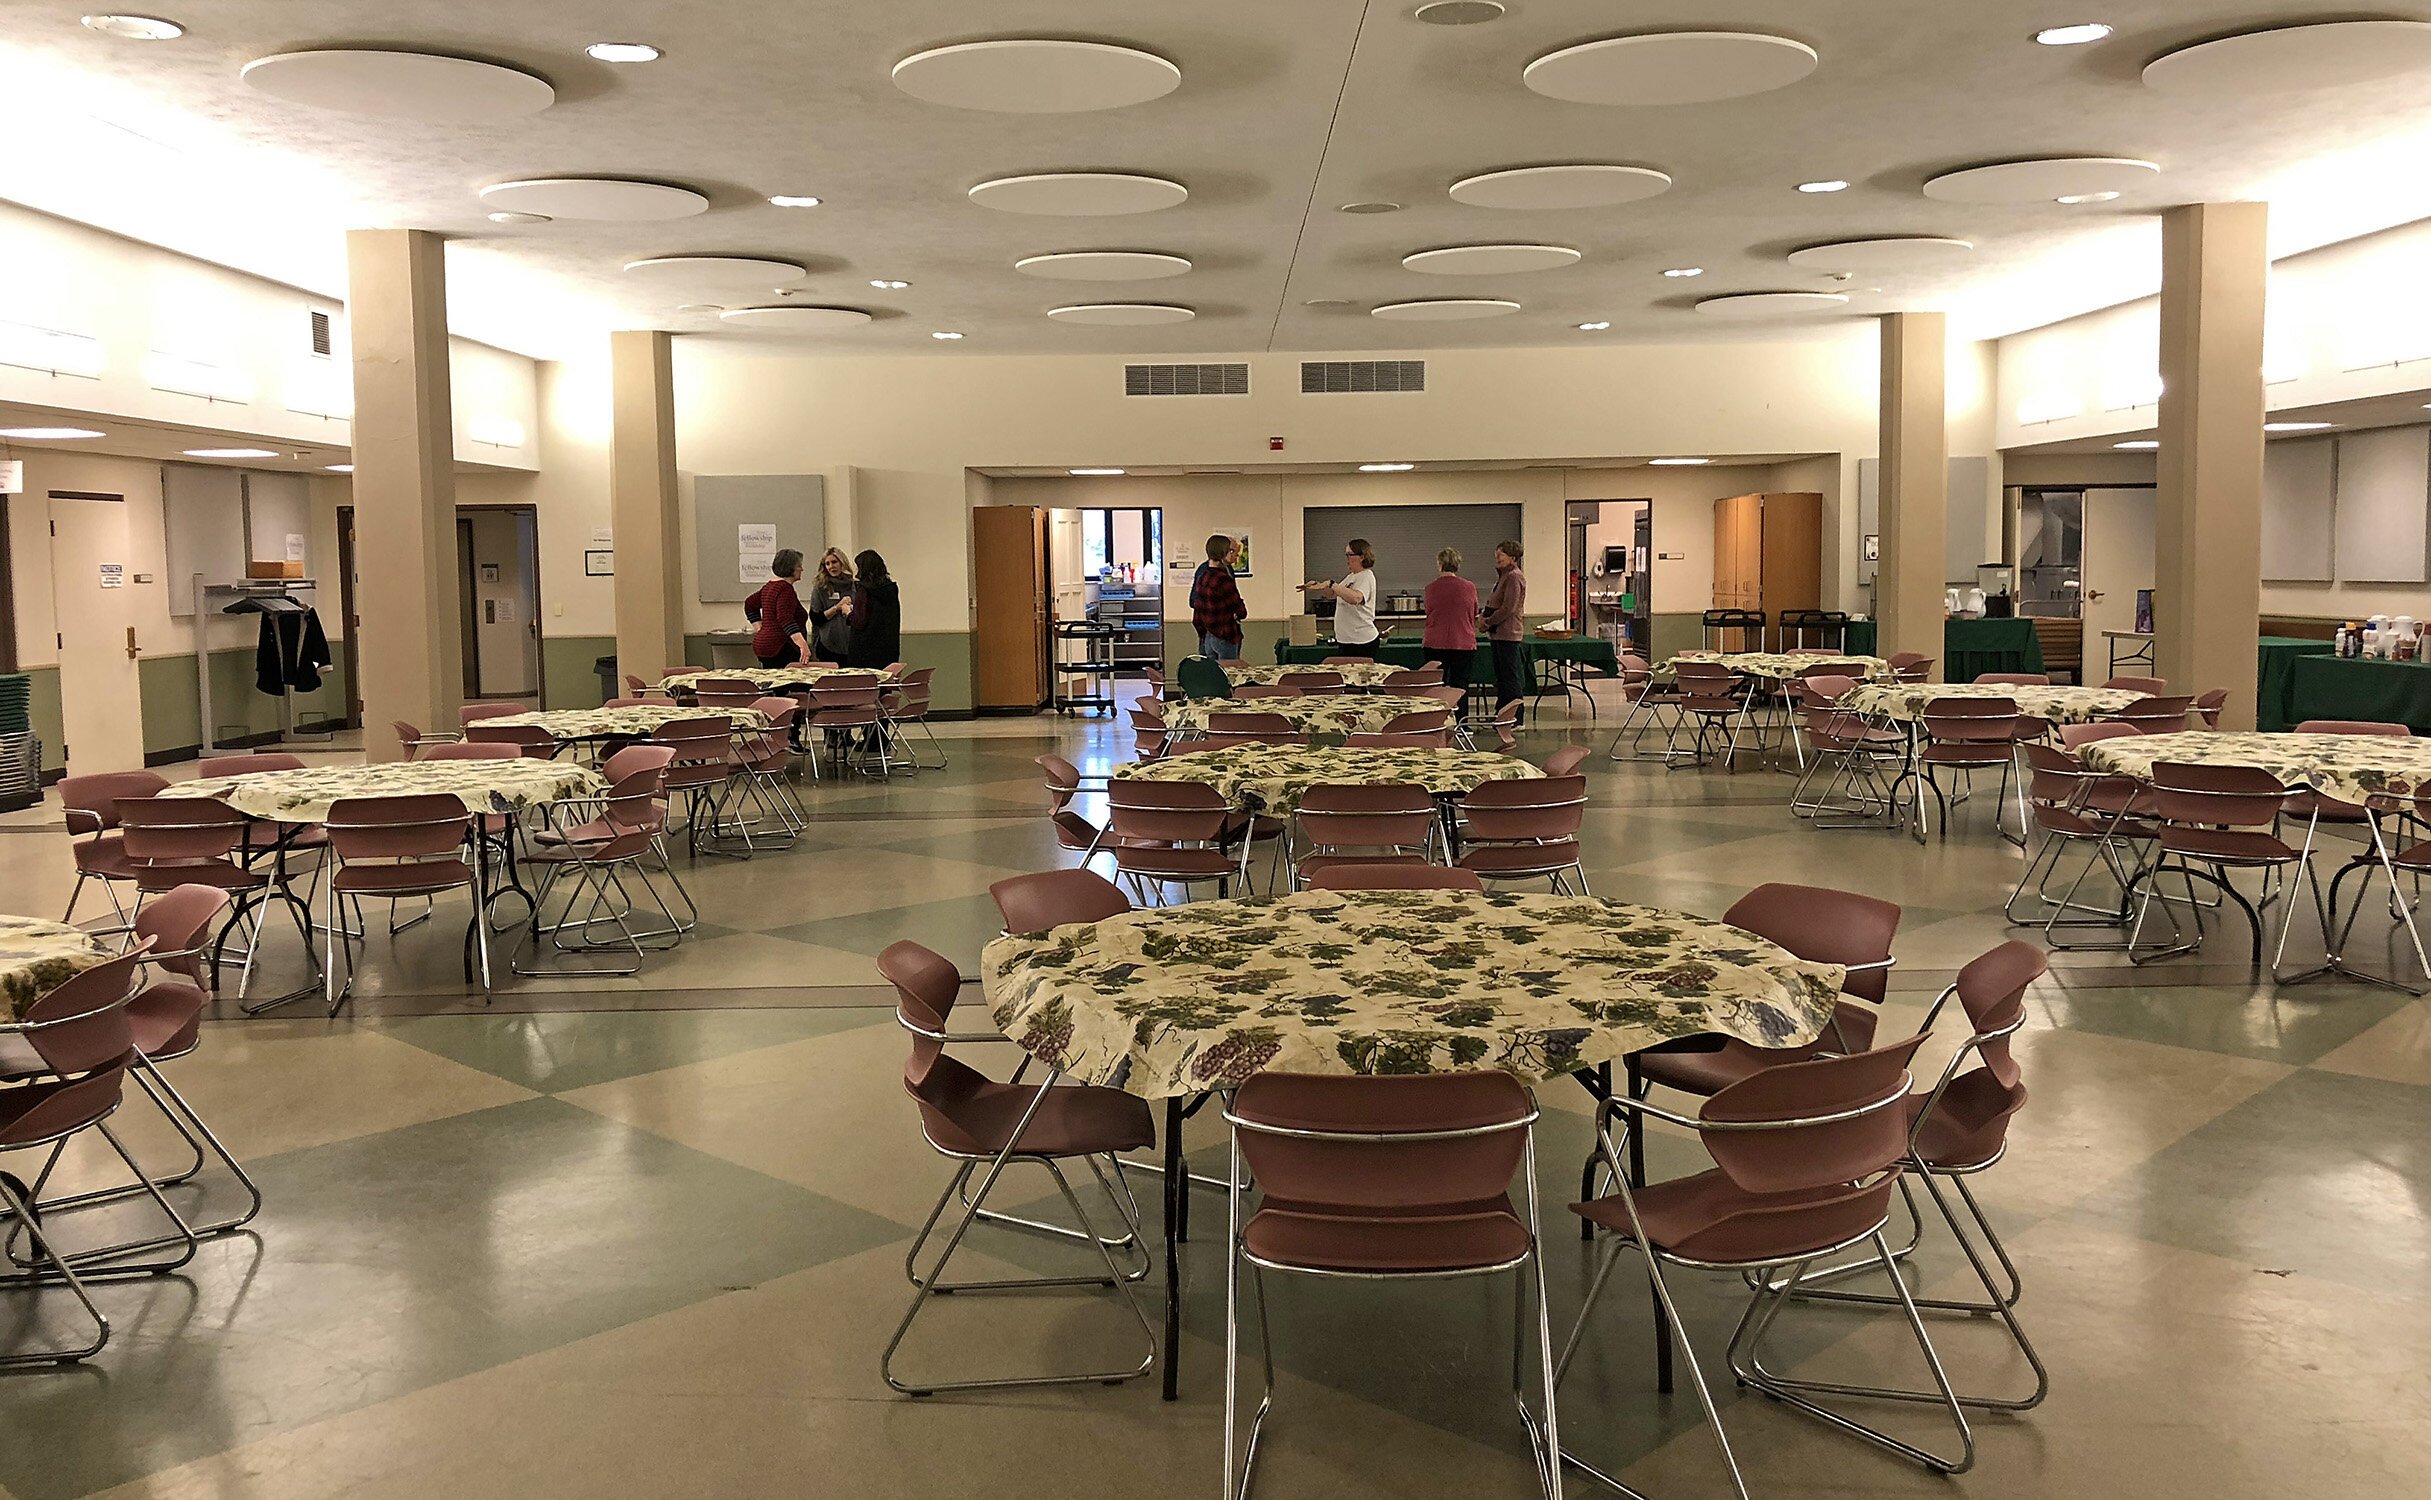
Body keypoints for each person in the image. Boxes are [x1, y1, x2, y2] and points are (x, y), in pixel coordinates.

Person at [1421, 547, 1480, 715]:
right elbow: (1474, 611)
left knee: (1435, 685)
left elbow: (1428, 610)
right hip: (1463, 642)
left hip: (1435, 642)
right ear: (1457, 565)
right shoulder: (1469, 587)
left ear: (1440, 565)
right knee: (1460, 685)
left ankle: (1436, 720)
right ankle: (1462, 723)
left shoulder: (1430, 588)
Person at [1299, 537, 1380, 658]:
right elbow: (1332, 593)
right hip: (1346, 640)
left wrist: (1332, 584)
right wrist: (1319, 585)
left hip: (1361, 641)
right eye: (1346, 555)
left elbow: (1356, 598)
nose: (1347, 559)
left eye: (1350, 555)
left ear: (1362, 557)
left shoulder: (1366, 576)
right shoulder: (1351, 577)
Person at [1481, 539, 1529, 722]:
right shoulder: (1504, 576)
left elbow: (1508, 607)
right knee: (1502, 677)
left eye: (1500, 555)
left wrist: (1488, 622)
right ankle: (1501, 713)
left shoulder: (1514, 577)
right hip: (1498, 633)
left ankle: (1516, 717)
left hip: (1507, 634)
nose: (1497, 558)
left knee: (1510, 678)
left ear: (1513, 557)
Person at [744, 548, 810, 667]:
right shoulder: (785, 589)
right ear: (791, 568)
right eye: (799, 565)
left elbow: (749, 604)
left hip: (765, 646)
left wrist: (760, 628)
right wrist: (802, 644)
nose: (802, 569)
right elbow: (785, 618)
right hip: (781, 647)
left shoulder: (769, 587)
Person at [1189, 533, 1249, 660]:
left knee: (1212, 675)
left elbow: (1197, 609)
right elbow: (1240, 610)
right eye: (1231, 550)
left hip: (1208, 635)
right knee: (1229, 674)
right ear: (1223, 552)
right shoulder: (1223, 579)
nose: (1234, 554)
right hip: (1225, 635)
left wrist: (1203, 632)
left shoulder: (1203, 576)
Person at [846, 550, 902, 671]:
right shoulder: (891, 589)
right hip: (888, 651)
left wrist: (848, 613)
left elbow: (859, 621)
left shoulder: (864, 591)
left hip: (864, 653)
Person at [805, 548, 857, 665]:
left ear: (842, 562)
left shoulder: (854, 585)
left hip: (852, 643)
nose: (831, 566)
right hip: (828, 644)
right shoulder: (821, 587)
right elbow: (816, 618)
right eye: (827, 564)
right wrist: (837, 607)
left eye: (834, 562)